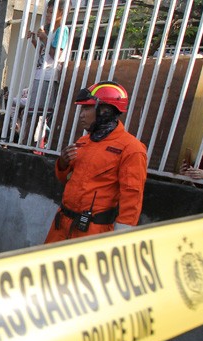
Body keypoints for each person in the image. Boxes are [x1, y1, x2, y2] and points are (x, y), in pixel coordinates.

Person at [44, 81, 147, 243]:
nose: (81, 115)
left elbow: (132, 197)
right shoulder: (83, 142)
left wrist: (120, 240)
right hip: (61, 225)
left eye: (86, 108)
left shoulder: (131, 148)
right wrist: (62, 163)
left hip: (92, 232)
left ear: (105, 110)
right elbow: (64, 178)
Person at [24, 0, 70, 146]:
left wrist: (44, 38)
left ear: (61, 13)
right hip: (41, 73)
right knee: (33, 111)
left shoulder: (62, 30)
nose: (48, 15)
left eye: (51, 12)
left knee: (39, 112)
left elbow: (55, 55)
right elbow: (43, 53)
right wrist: (34, 40)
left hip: (49, 75)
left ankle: (32, 143)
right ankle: (27, 142)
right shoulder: (50, 30)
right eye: (47, 12)